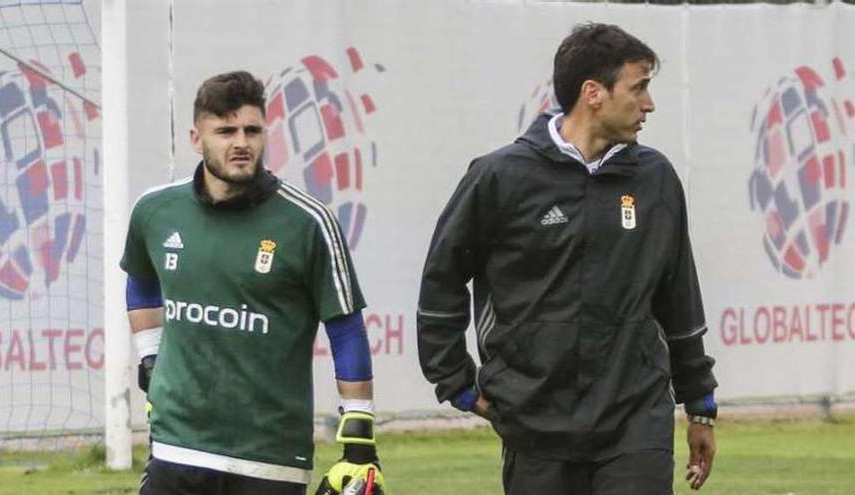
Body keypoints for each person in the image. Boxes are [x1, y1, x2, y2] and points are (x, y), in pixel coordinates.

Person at [416, 23, 718, 494]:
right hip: (533, 419)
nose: (649, 104)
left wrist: (700, 402)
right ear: (593, 93)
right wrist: (454, 379)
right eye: (638, 88)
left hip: (634, 417)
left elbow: (678, 295)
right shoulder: (500, 177)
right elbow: (442, 278)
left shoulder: (655, 179)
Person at [121, 71, 385, 495]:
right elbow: (141, 282)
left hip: (270, 458)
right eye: (225, 131)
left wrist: (358, 433)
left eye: (251, 130)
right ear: (196, 138)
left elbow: (346, 329)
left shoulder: (308, 223)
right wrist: (150, 358)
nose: (240, 142)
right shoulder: (155, 212)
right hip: (177, 448)